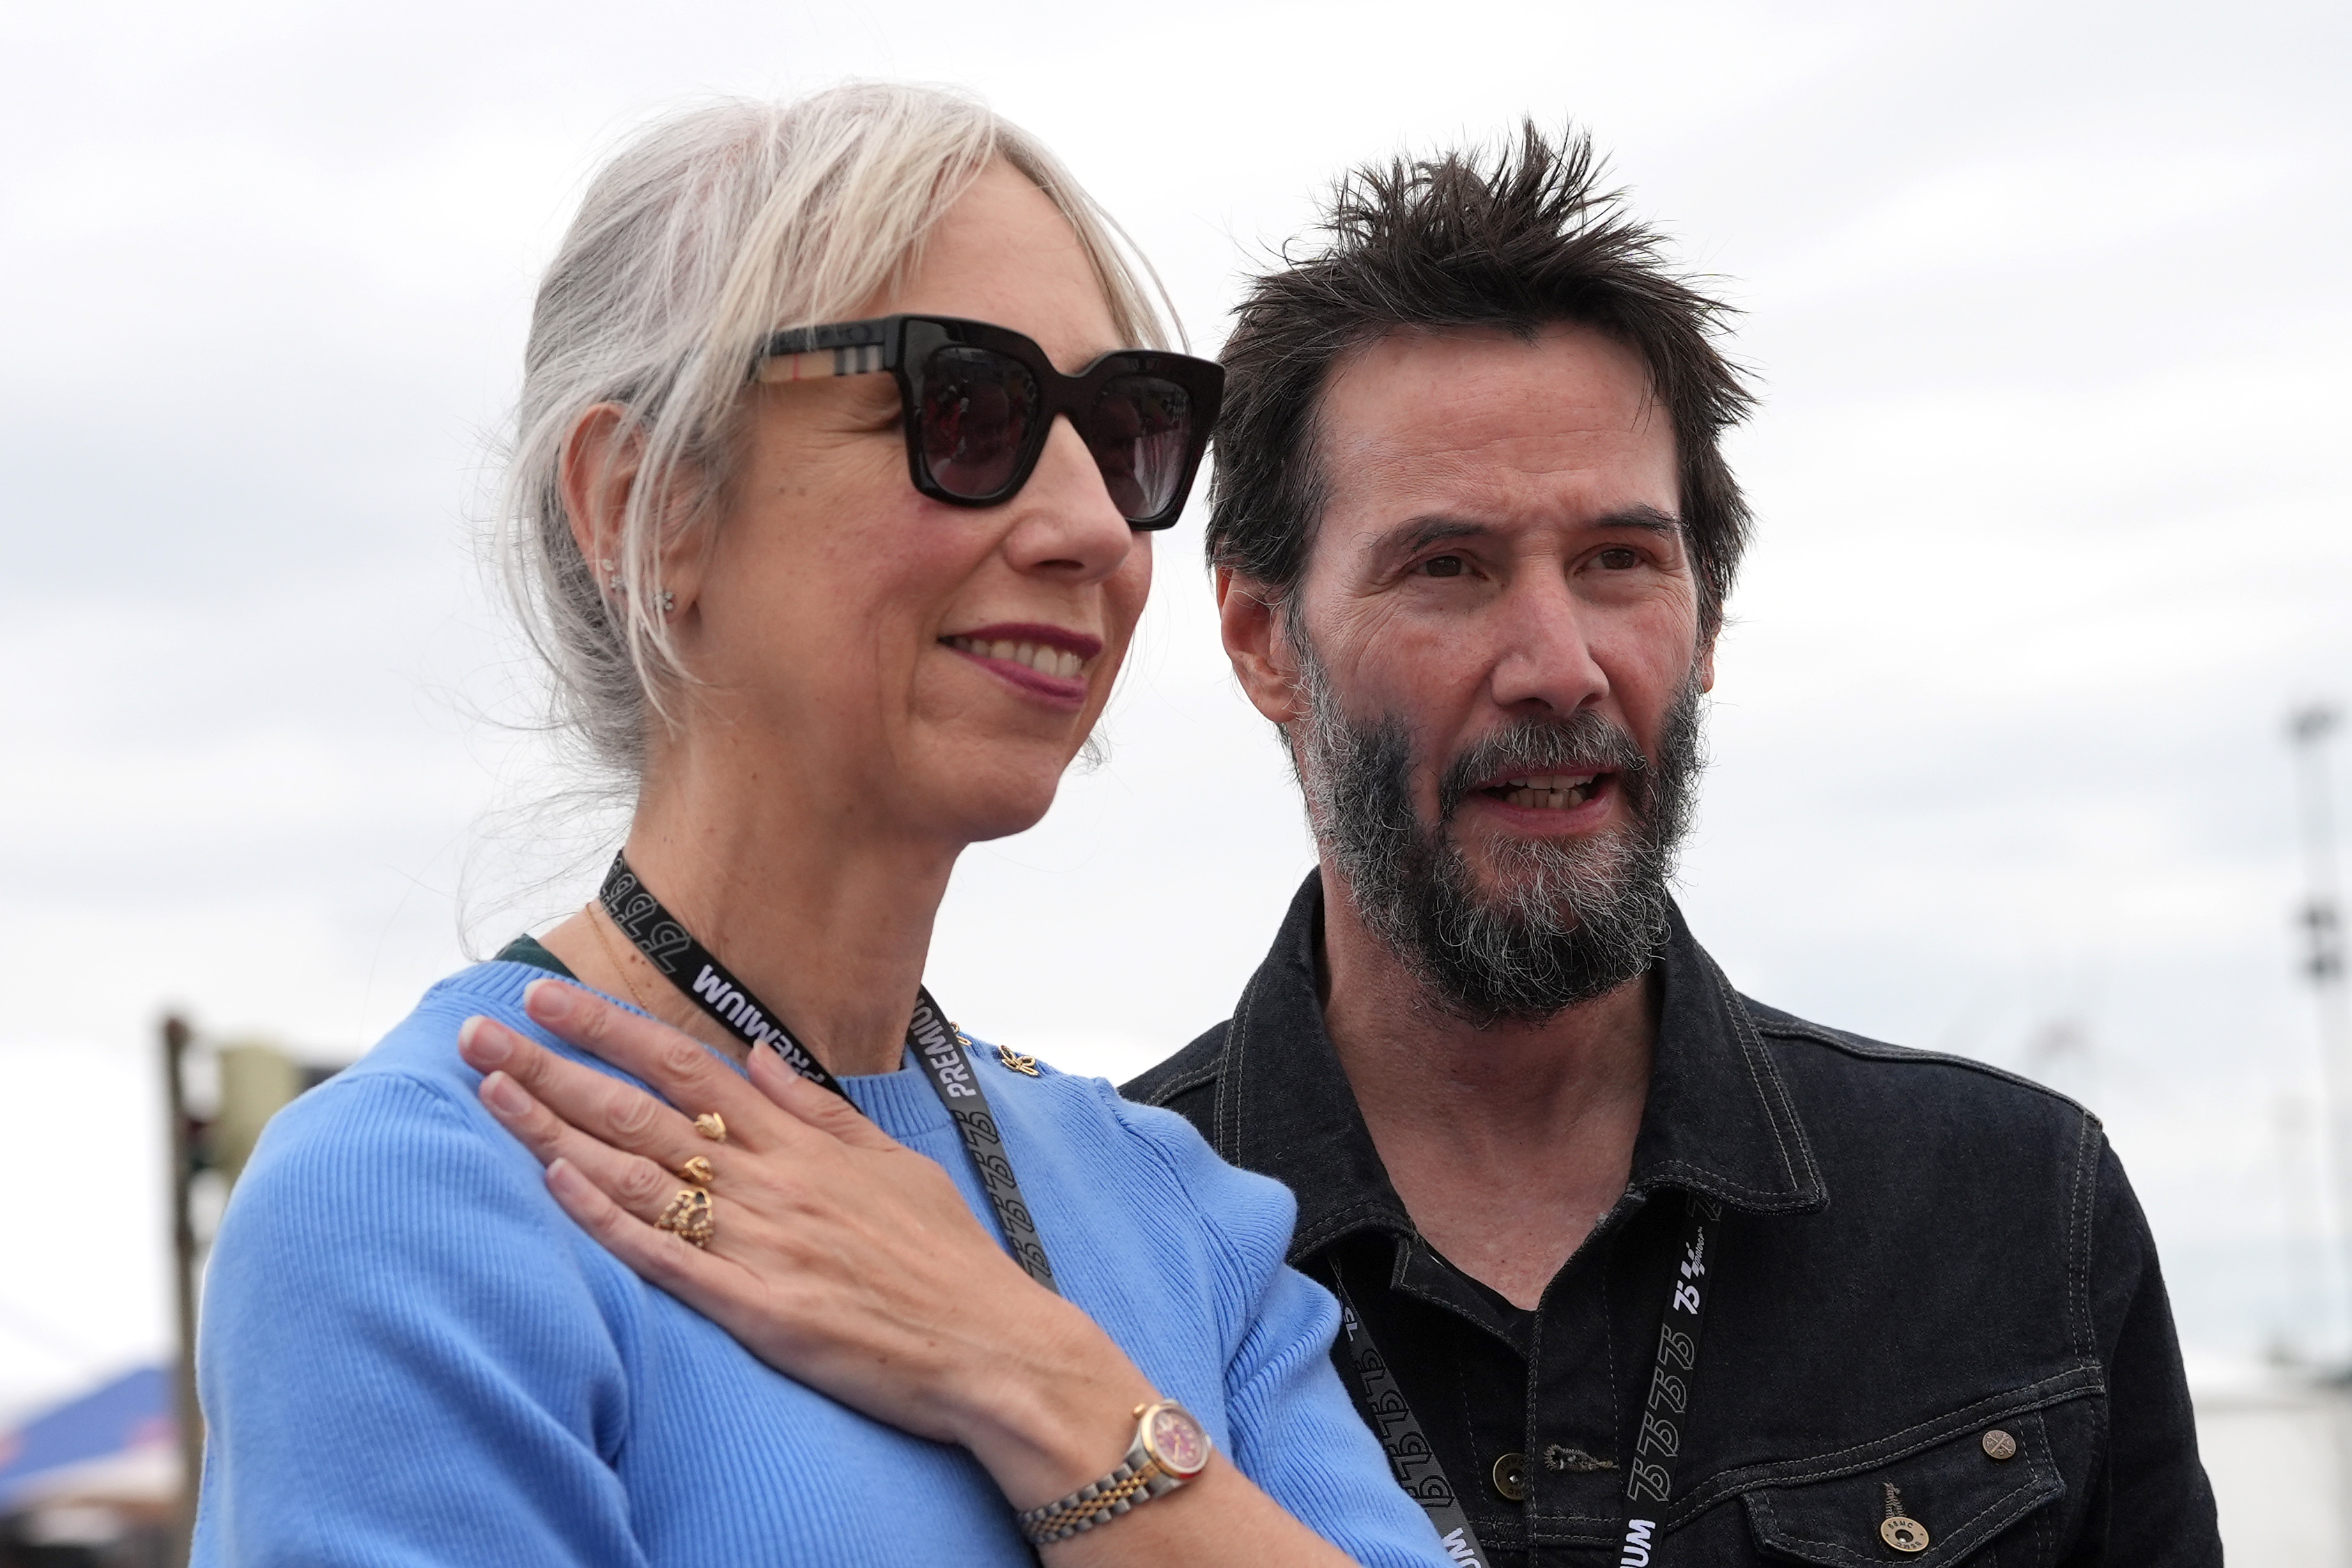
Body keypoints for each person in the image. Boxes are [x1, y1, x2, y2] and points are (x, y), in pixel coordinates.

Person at [192, 86, 1450, 1568]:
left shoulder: (1173, 1204)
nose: (1094, 529)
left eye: (1122, 432)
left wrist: (1034, 1376)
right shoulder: (429, 1196)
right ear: (642, 505)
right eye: (961, 411)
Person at [1119, 126, 2224, 1566]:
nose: (1556, 664)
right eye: (1444, 568)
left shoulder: (2014, 1213)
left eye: (1617, 562)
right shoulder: (1094, 1265)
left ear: (1702, 621)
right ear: (1263, 641)